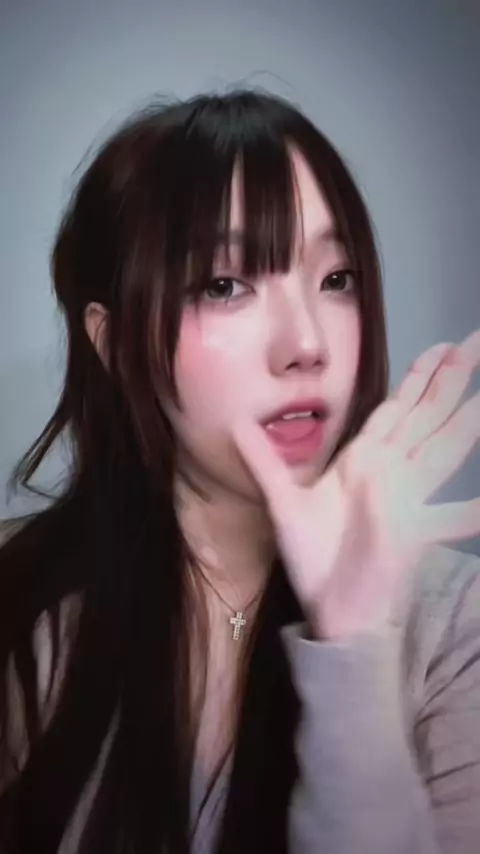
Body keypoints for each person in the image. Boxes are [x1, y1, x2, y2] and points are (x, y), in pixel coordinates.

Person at [0, 88, 479, 854]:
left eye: (337, 279)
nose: (306, 344)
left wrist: (352, 648)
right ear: (116, 344)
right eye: (225, 285)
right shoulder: (22, 599)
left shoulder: (457, 623)